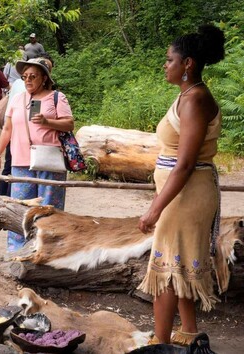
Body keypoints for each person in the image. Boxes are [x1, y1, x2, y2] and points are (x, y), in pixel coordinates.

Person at [137, 25, 225, 346]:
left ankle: (159, 344)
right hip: (183, 193)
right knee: (179, 263)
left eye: (169, 59)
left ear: (187, 63)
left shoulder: (196, 100)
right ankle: (188, 333)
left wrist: (153, 209)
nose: (165, 65)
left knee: (167, 271)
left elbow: (185, 164)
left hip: (187, 196)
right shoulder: (188, 95)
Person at [0, 57, 73, 252]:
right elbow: (7, 128)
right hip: (20, 162)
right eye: (24, 76)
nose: (28, 80)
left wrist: (48, 122)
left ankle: (48, 251)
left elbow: (69, 123)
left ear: (44, 78)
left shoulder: (56, 97)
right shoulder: (18, 98)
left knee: (48, 210)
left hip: (49, 161)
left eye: (33, 76)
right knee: (20, 209)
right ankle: (16, 252)